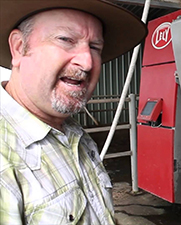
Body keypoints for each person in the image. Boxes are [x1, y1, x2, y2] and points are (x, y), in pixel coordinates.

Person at [0, 1, 147, 224]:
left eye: (95, 47)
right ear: (19, 47)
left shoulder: (74, 133)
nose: (87, 62)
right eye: (66, 40)